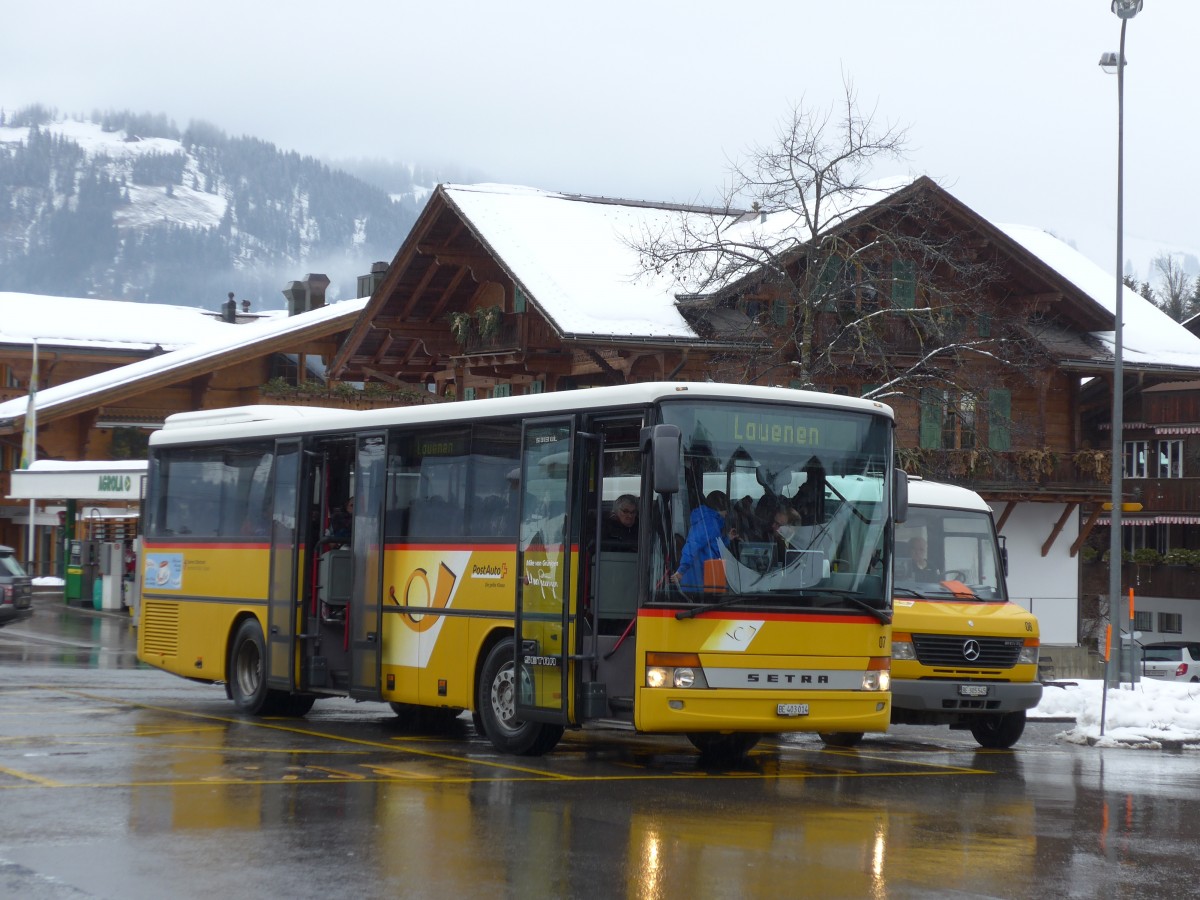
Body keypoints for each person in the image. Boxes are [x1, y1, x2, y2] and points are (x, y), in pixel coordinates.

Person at [672, 490, 730, 589]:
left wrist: (728, 538)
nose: (727, 513)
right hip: (696, 582)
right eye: (727, 509)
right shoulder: (709, 522)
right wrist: (681, 571)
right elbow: (692, 545)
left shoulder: (712, 521)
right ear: (720, 508)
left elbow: (714, 548)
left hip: (705, 578)